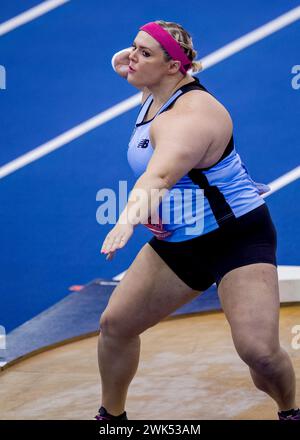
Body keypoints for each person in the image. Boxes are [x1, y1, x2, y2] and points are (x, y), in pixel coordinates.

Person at [95, 20, 299, 421]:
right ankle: (112, 419)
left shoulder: (190, 116)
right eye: (133, 47)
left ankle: (291, 410)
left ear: (174, 68)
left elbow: (158, 176)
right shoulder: (155, 90)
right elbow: (130, 66)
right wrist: (129, 61)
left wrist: (127, 221)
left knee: (260, 354)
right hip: (179, 243)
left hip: (235, 238)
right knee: (115, 325)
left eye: (145, 53)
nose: (132, 58)